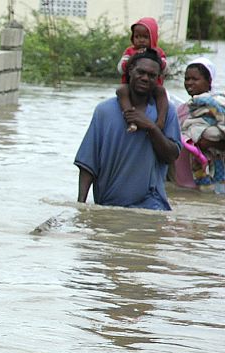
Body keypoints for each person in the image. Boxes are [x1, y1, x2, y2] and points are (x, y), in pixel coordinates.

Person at [75, 48, 181, 211]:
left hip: (151, 206)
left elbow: (171, 156)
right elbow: (89, 163)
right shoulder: (104, 111)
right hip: (108, 204)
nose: (145, 78)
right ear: (130, 70)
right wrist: (80, 205)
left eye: (152, 75)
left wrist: (152, 128)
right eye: (141, 72)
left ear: (158, 79)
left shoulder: (166, 112)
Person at [178, 58, 225, 193]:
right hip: (183, 181)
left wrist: (209, 143)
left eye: (195, 79)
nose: (189, 83)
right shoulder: (181, 109)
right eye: (186, 79)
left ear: (209, 82)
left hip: (213, 177)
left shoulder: (218, 106)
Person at [116, 17, 169, 133]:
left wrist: (157, 59)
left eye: (145, 37)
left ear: (153, 38)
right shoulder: (130, 51)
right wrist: (133, 58)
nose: (141, 40)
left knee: (161, 92)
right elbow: (121, 68)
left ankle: (160, 122)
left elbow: (166, 70)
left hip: (153, 86)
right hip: (130, 86)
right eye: (137, 37)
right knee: (121, 91)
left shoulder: (158, 52)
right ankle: (131, 120)